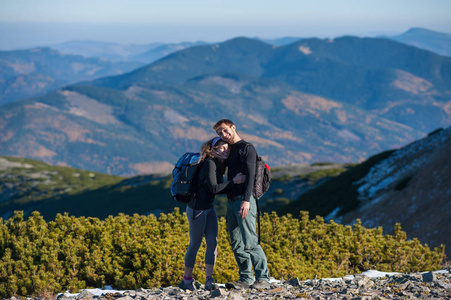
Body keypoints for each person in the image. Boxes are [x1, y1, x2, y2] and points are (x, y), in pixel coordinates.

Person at [179, 137, 246, 291]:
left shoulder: (218, 164)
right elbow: (214, 188)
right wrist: (234, 182)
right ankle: (186, 280)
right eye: (222, 148)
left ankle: (209, 280)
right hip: (197, 209)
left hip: (208, 208)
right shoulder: (210, 163)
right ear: (213, 149)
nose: (226, 151)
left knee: (213, 243)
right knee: (195, 244)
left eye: (227, 148)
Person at [213, 119, 271, 290]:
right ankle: (245, 278)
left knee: (250, 241)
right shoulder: (230, 150)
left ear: (233, 127)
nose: (223, 135)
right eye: (219, 133)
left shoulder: (247, 148)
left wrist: (246, 201)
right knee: (236, 243)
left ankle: (263, 278)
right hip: (231, 201)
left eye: (224, 130)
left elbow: (251, 176)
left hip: (243, 200)